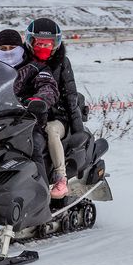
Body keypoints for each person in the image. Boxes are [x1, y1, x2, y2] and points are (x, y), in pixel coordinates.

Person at [24, 18, 85, 199]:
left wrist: (77, 129)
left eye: (49, 43)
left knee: (51, 131)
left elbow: (71, 96)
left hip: (57, 116)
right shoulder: (23, 61)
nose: (44, 47)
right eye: (40, 42)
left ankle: (60, 177)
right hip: (29, 114)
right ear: (31, 41)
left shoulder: (62, 63)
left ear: (55, 44)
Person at [0, 29, 59, 185]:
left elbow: (48, 87)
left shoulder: (36, 68)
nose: (8, 51)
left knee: (33, 146)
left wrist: (37, 100)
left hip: (29, 123)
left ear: (21, 48)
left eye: (12, 47)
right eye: (3, 48)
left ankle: (43, 193)